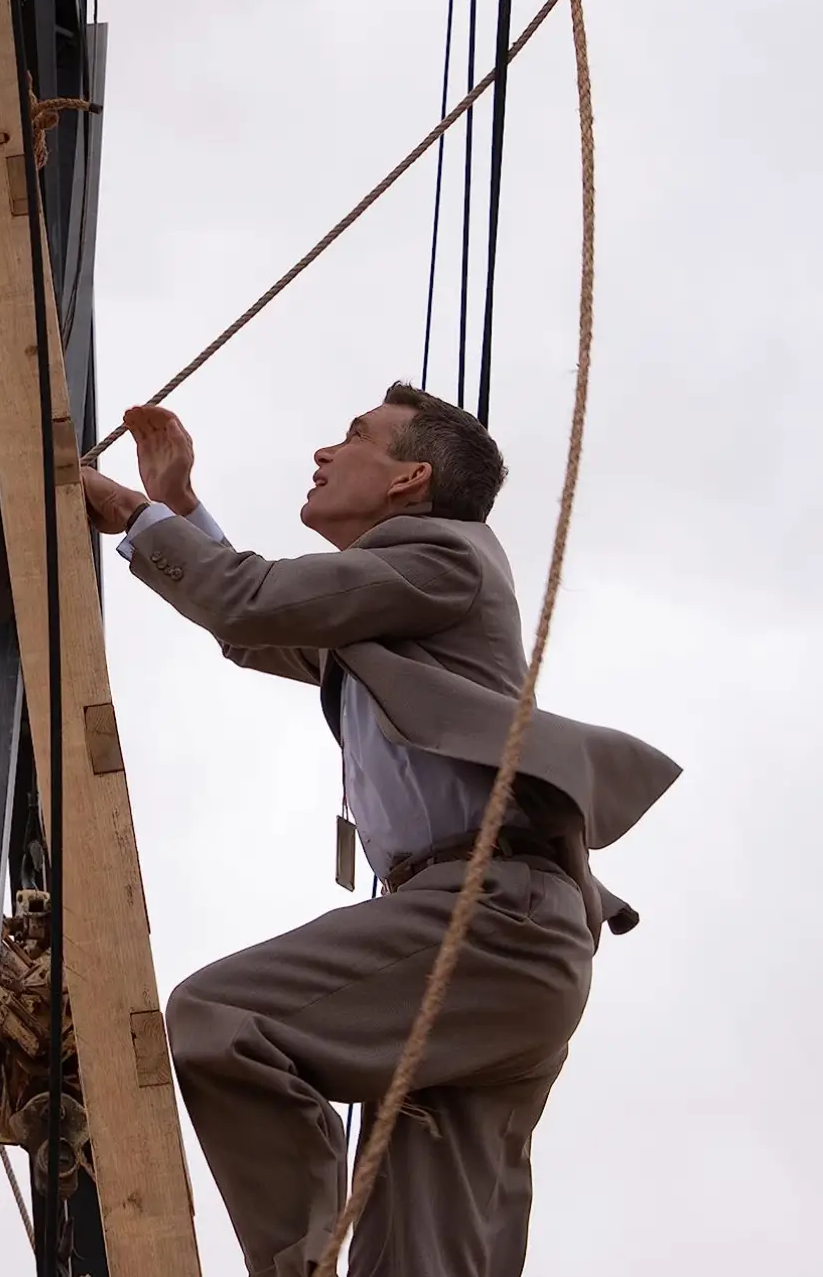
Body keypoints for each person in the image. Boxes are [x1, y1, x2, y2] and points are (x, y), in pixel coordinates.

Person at [80, 385, 678, 1277]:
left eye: (354, 437)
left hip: (490, 919)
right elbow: (260, 629)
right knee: (421, 1253)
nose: (325, 452)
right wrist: (179, 513)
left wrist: (136, 515)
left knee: (227, 1016)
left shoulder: (443, 555)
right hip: (510, 943)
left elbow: (250, 601)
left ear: (411, 480)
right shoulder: (394, 608)